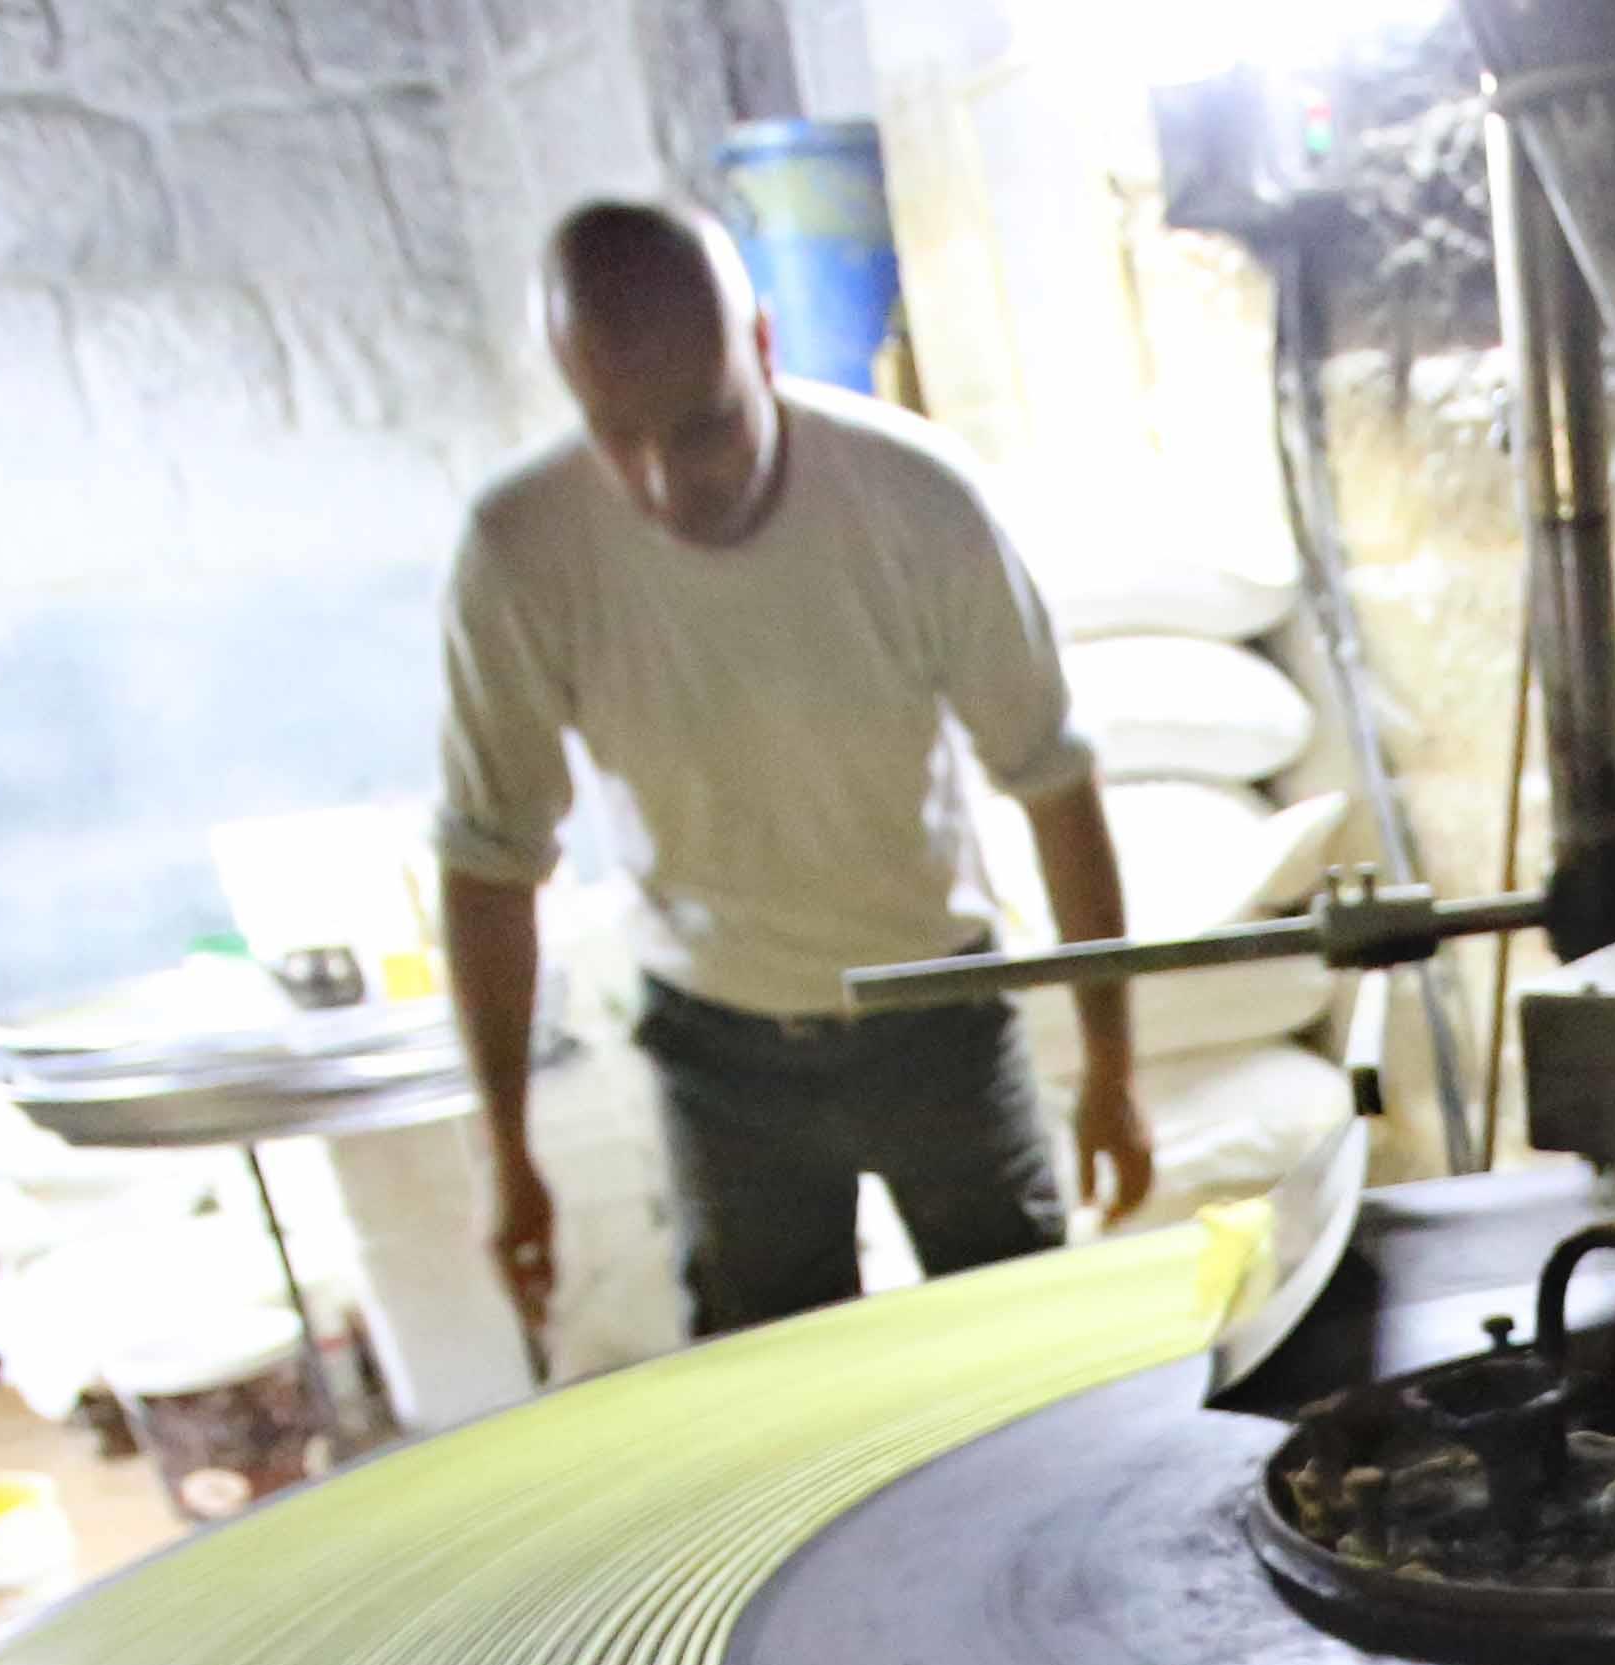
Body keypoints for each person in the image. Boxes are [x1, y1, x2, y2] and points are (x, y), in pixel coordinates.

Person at [434, 199, 1149, 1359]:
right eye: (620, 435)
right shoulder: (523, 548)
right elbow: (487, 859)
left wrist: (1111, 1068)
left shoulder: (914, 500)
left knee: (1038, 1366)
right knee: (771, 1402)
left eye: (705, 427)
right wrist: (506, 1153)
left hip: (937, 1016)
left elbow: (1053, 782)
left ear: (762, 348)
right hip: (720, 1047)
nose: (667, 484)